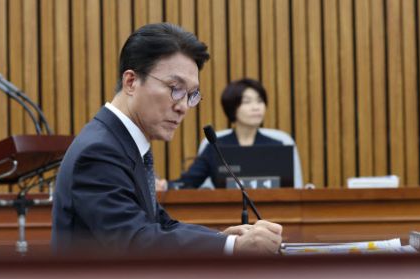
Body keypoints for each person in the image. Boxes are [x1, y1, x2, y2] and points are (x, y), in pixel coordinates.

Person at [52, 23, 282, 256]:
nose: (183, 106)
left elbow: (162, 225)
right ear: (131, 82)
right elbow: (135, 240)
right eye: (175, 88)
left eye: (191, 95)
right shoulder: (99, 151)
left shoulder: (122, 143)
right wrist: (231, 247)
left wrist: (223, 239)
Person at [165, 78, 303, 189]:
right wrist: (165, 186)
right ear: (232, 108)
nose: (256, 107)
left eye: (260, 101)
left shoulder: (277, 146)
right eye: (247, 102)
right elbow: (188, 182)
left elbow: (291, 190)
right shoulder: (216, 147)